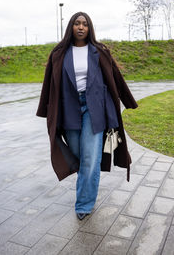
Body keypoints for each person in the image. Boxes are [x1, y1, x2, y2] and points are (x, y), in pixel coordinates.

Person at [36, 12, 138, 220]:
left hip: (95, 108)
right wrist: (46, 110)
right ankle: (87, 184)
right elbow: (49, 83)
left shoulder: (100, 51)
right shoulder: (59, 53)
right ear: (71, 27)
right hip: (69, 109)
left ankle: (84, 204)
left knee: (91, 158)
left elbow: (115, 78)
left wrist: (128, 101)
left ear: (89, 28)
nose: (81, 27)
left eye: (85, 24)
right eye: (77, 23)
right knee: (80, 155)